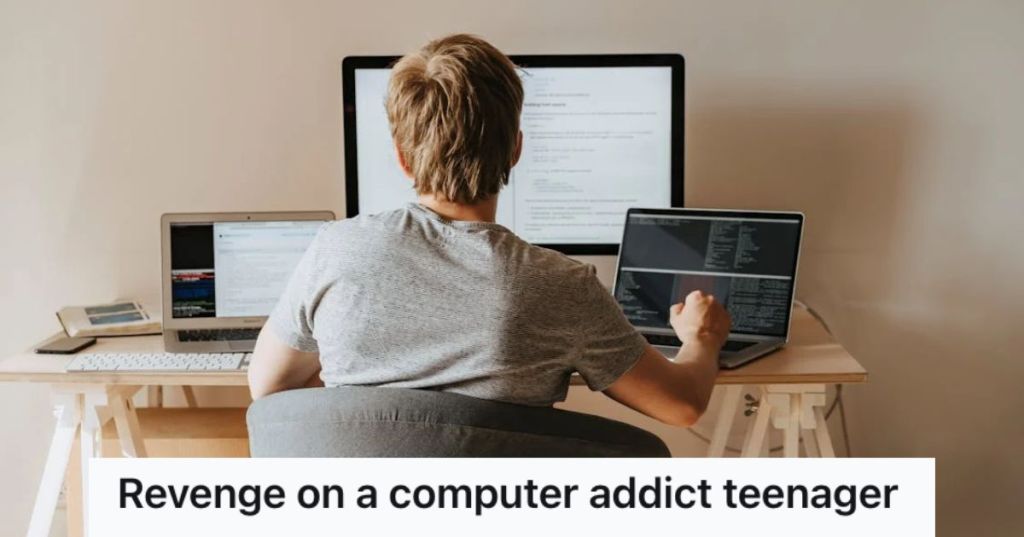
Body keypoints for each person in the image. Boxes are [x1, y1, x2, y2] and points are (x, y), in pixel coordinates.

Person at [248, 34, 730, 427]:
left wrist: (373, 416)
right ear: (515, 149)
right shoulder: (562, 286)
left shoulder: (336, 249)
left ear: (400, 155)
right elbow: (681, 406)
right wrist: (701, 338)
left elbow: (268, 386)